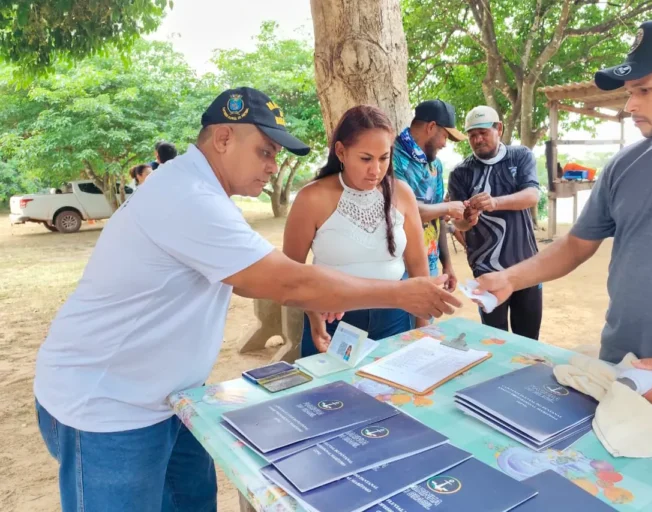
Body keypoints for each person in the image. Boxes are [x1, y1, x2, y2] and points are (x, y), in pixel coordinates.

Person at [33, 87, 461, 512]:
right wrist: (400, 293)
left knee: (193, 503)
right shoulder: (188, 196)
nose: (274, 167)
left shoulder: (201, 191)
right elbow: (284, 280)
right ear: (223, 139)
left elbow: (246, 278)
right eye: (265, 152)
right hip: (108, 407)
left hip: (171, 399)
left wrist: (325, 290)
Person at [476, 18, 652, 409]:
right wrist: (510, 278)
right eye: (630, 92)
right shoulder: (625, 163)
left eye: (644, 90)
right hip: (621, 372)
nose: (631, 105)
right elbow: (577, 245)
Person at [283, 105, 430, 356]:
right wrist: (313, 313)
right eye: (366, 158)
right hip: (333, 320)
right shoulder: (312, 198)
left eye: (384, 158)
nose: (376, 170)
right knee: (332, 394)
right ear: (341, 151)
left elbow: (418, 266)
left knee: (393, 392)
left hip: (395, 316)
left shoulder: (402, 193)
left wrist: (422, 329)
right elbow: (288, 271)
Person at [448, 105, 542, 339]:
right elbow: (458, 224)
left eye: (483, 132)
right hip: (486, 270)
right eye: (472, 136)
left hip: (526, 266)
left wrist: (495, 202)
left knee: (529, 340)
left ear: (498, 129)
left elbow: (532, 196)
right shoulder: (461, 173)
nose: (478, 139)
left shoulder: (520, 156)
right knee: (495, 339)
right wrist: (467, 221)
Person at [394, 100, 467, 292]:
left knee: (426, 323)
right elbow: (400, 212)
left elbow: (439, 219)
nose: (444, 144)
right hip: (397, 268)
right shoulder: (391, 157)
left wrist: (447, 264)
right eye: (444, 136)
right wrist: (448, 207)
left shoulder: (435, 166)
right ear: (431, 127)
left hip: (431, 262)